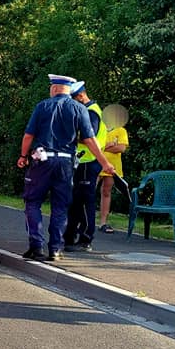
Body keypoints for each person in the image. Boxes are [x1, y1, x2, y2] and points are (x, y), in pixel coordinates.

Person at [17, 75, 115, 261]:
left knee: (33, 202)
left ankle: (36, 247)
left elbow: (29, 135)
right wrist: (104, 163)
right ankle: (55, 249)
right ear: (69, 90)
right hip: (66, 163)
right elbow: (90, 139)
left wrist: (23, 156)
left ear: (54, 89)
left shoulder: (42, 106)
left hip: (42, 160)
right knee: (60, 206)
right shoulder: (80, 109)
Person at [63, 81, 107, 252]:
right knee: (76, 202)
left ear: (81, 96)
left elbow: (90, 137)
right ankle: (73, 235)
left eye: (74, 99)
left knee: (84, 202)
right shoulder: (88, 110)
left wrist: (70, 135)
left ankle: (85, 238)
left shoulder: (91, 112)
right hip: (83, 161)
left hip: (88, 162)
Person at [97, 105, 129, 233]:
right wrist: (109, 145)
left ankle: (103, 222)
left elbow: (121, 148)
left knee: (106, 192)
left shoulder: (121, 131)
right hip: (98, 163)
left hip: (112, 166)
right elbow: (95, 145)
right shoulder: (100, 129)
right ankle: (81, 220)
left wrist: (105, 147)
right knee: (87, 190)